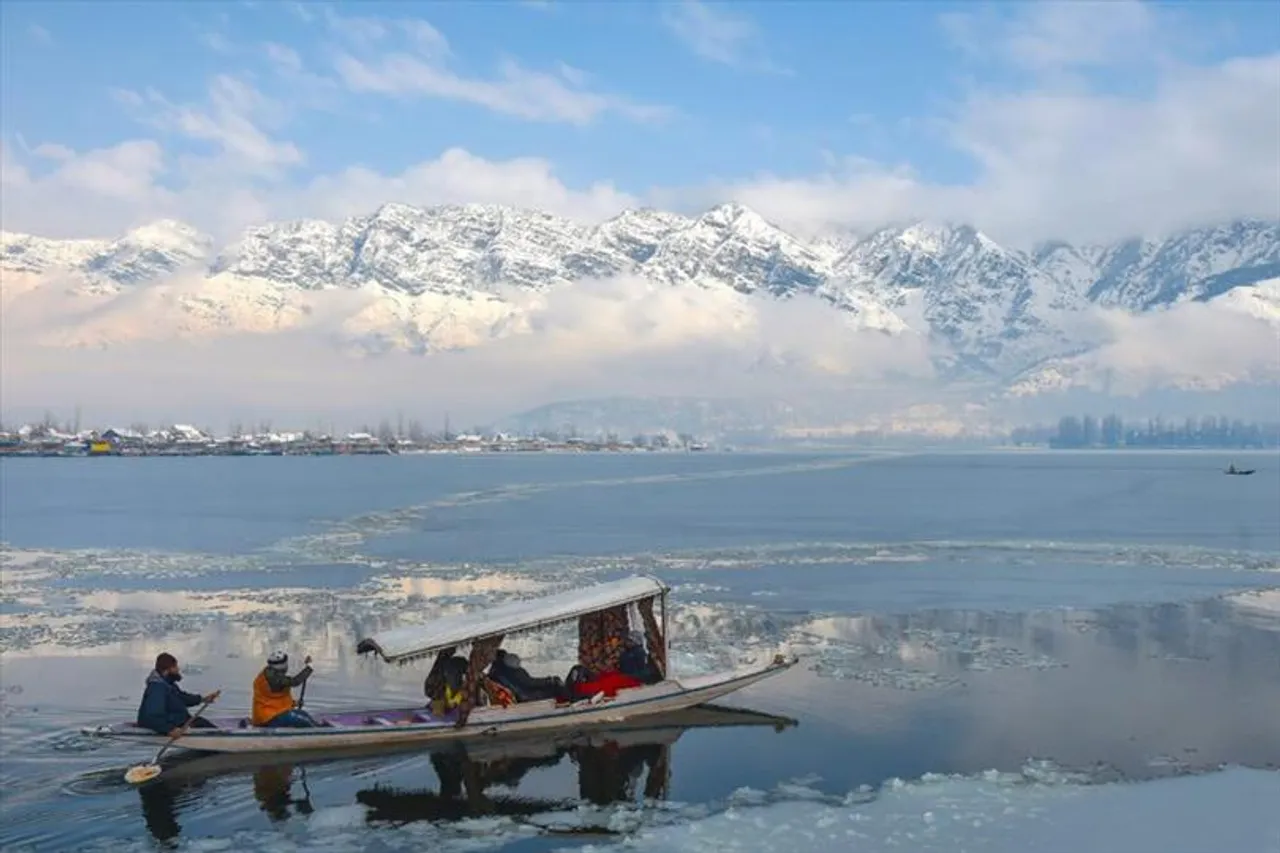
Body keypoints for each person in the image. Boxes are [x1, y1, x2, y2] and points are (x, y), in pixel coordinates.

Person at [137, 652, 220, 736]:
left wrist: (202, 699)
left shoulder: (168, 684)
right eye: (174, 667)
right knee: (206, 727)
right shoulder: (157, 688)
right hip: (170, 725)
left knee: (201, 723)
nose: (178, 669)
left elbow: (181, 698)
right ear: (166, 670)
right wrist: (169, 729)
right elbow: (151, 716)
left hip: (181, 721)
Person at [252, 650, 317, 728]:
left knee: (303, 714)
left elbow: (274, 698)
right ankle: (322, 733)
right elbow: (295, 682)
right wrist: (309, 668)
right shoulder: (275, 678)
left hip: (273, 713)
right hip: (269, 719)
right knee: (304, 720)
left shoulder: (270, 673)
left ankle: (318, 727)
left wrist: (294, 703)